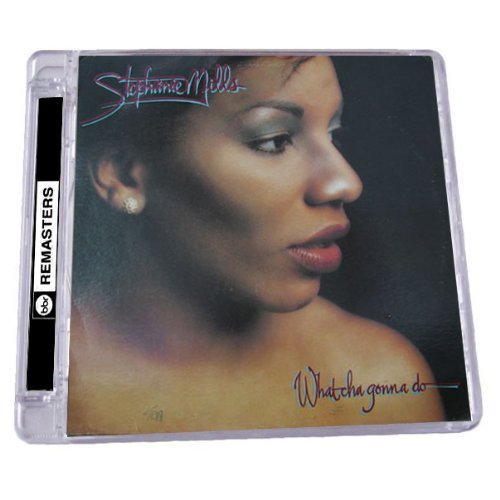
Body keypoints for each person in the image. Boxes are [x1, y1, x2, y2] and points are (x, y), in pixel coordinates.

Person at [67, 55, 444, 436]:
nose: (345, 182)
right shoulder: (57, 389)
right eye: (274, 141)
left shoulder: (379, 378)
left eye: (333, 134)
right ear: (125, 175)